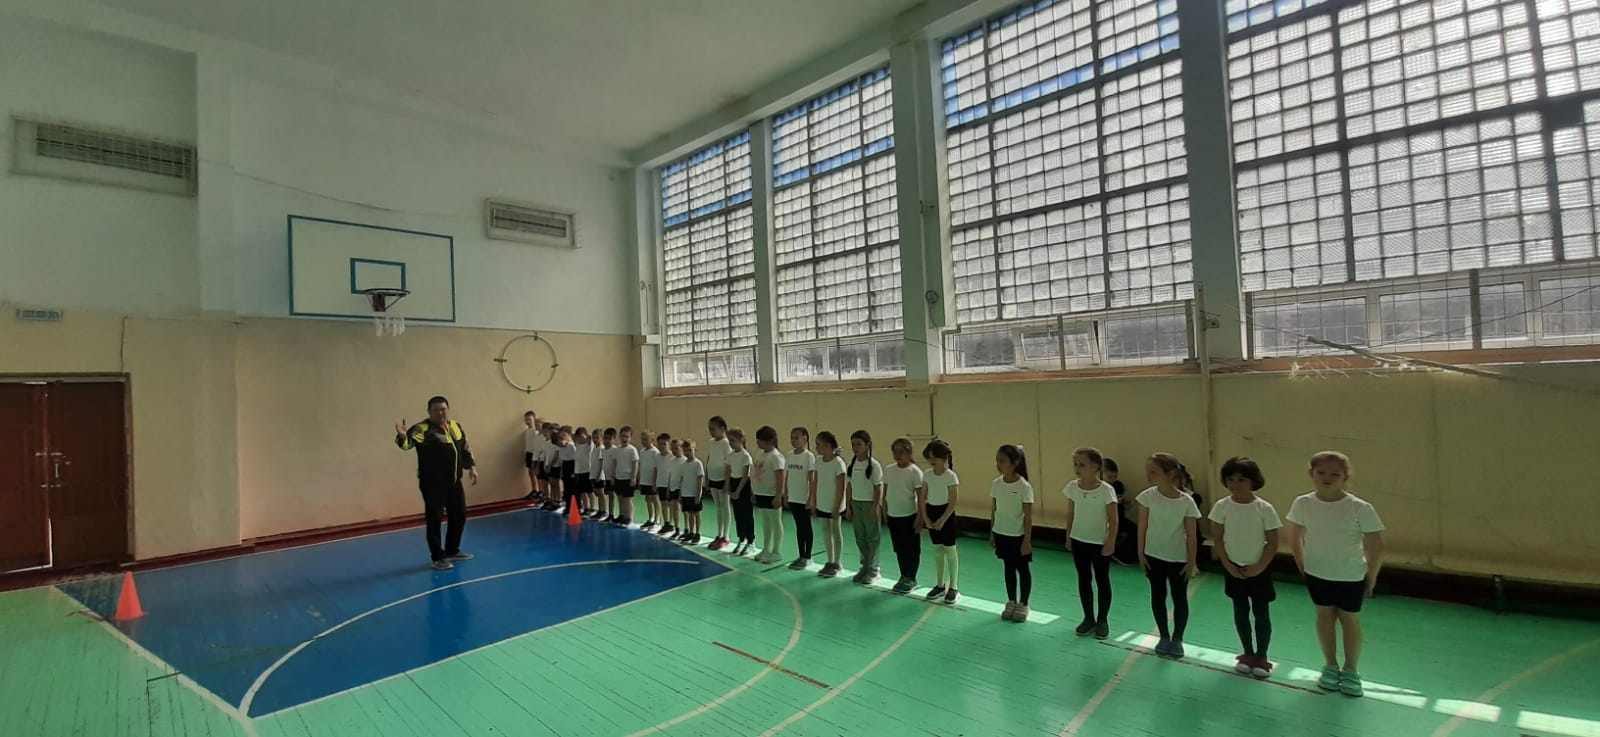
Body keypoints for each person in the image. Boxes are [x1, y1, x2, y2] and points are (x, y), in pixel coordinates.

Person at [1285, 451, 1385, 697]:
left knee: (1349, 619)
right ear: (1311, 474)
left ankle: (1351, 670)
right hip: (1317, 572)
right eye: (1321, 473)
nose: (1327, 478)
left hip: (1350, 575)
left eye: (1334, 474)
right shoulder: (1303, 503)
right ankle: (1330, 665)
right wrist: (1301, 563)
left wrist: (1371, 574)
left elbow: (1375, 544)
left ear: (1345, 478)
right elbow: (1294, 535)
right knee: (1324, 616)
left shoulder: (1360, 507)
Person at [1210, 456, 1282, 679]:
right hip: (1234, 569)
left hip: (1259, 570)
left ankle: (1261, 656)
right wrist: (1228, 565)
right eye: (1230, 479)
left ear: (1253, 481)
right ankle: (1247, 653)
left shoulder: (1264, 508)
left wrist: (1259, 567)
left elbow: (1273, 542)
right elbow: (1217, 538)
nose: (1235, 484)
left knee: (1261, 612)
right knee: (1240, 611)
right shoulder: (1222, 506)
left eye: (1241, 479)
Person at [394, 396, 479, 570]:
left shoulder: (455, 426)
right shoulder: (422, 429)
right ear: (429, 412)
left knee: (460, 515)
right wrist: (402, 437)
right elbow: (407, 444)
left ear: (448, 409)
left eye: (443, 409)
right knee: (434, 520)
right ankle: (438, 557)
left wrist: (472, 467)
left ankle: (452, 550)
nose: (440, 413)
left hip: (454, 482)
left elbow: (465, 448)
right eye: (436, 410)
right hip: (432, 485)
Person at [1138, 452, 1201, 658]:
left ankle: (1178, 638)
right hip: (1153, 555)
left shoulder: (1187, 502)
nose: (1149, 476)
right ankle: (1164, 635)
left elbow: (1191, 536)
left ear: (1170, 474)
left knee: (1179, 598)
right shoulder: (1147, 497)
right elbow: (1142, 527)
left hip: (1178, 558)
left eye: (1153, 472)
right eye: (1148, 472)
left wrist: (1191, 562)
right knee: (1158, 595)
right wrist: (1141, 553)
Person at [1064, 447, 1117, 639]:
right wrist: (1069, 535)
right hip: (1079, 540)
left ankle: (1102, 620)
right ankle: (1088, 618)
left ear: (1095, 467)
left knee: (1102, 580)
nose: (1077, 468)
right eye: (1075, 465)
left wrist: (1110, 542)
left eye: (1082, 465)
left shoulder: (1106, 490)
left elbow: (1113, 519)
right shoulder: (1072, 487)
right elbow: (1071, 513)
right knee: (1084, 579)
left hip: (1099, 543)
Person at [990, 444, 1034, 621]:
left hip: (1018, 535)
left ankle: (1024, 604)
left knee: (1022, 569)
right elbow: (994, 510)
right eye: (997, 460)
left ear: (1015, 463)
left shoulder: (1024, 486)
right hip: (1001, 533)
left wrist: (1027, 540)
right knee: (1008, 568)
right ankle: (1011, 601)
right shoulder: (996, 484)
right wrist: (992, 532)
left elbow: (1028, 517)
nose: (998, 464)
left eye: (1002, 460)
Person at [920, 439, 960, 604]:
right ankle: (939, 585)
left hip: (946, 514)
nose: (931, 461)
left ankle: (954, 587)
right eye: (929, 457)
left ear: (943, 457)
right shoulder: (927, 475)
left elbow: (953, 501)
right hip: (932, 511)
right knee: (938, 551)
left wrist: (943, 519)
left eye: (934, 457)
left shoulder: (951, 476)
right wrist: (926, 518)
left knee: (950, 550)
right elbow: (923, 498)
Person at [883, 438, 925, 594]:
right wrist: (884, 510)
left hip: (909, 516)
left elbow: (921, 497)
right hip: (893, 515)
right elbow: (885, 492)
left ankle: (911, 577)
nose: (898, 455)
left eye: (901, 452)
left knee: (911, 548)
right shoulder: (889, 470)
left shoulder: (915, 472)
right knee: (899, 548)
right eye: (895, 452)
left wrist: (920, 517)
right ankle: (903, 575)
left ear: (909, 453)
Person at [846, 430, 885, 584]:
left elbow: (878, 487)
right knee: (860, 538)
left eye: (858, 444)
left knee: (872, 538)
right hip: (856, 504)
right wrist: (848, 506)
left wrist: (875, 507)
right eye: (853, 445)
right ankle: (864, 566)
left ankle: (874, 569)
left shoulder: (874, 466)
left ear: (868, 445)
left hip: (869, 504)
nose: (855, 448)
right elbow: (849, 486)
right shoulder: (852, 464)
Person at [813, 431, 849, 578]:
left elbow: (841, 487)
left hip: (834, 505)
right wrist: (814, 500)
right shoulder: (818, 461)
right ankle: (830, 560)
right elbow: (815, 482)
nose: (816, 447)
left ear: (828, 445)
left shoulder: (838, 463)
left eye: (818, 444)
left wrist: (837, 506)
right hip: (822, 502)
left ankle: (838, 563)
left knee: (836, 532)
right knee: (826, 532)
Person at [751, 426, 788, 564]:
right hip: (760, 493)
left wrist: (778, 495)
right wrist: (754, 491)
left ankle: (776, 551)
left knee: (776, 522)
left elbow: (780, 477)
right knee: (766, 523)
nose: (757, 443)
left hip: (771, 494)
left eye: (759, 440)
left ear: (769, 441)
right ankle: (766, 549)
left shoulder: (776, 457)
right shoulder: (760, 454)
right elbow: (756, 473)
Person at [784, 427, 818, 570]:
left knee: (806, 526)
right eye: (792, 437)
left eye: (796, 437)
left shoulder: (809, 456)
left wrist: (811, 498)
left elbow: (812, 480)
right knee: (799, 527)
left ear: (805, 439)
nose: (793, 440)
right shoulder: (789, 455)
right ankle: (801, 555)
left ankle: (808, 556)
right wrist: (785, 493)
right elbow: (787, 476)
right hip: (793, 497)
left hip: (804, 498)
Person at [726, 429, 756, 555]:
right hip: (733, 483)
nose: (731, 443)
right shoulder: (730, 455)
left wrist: (738, 491)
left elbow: (745, 476)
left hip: (743, 486)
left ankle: (751, 541)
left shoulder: (746, 456)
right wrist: (727, 485)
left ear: (741, 440)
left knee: (746, 514)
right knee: (738, 515)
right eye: (729, 441)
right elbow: (728, 470)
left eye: (733, 440)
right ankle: (741, 538)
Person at [706, 417, 734, 551]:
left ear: (722, 429)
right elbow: (709, 458)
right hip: (713, 478)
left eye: (713, 429)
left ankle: (726, 536)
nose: (711, 431)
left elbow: (729, 463)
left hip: (723, 480)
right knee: (718, 507)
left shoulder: (726, 443)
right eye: (709, 429)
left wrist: (727, 482)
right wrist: (707, 477)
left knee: (725, 506)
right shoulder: (711, 442)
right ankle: (719, 534)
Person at [611, 426, 641, 527]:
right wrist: (613, 476)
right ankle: (622, 515)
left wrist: (633, 477)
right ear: (619, 436)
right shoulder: (617, 449)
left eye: (627, 437)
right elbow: (614, 462)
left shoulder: (632, 450)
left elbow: (635, 463)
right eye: (623, 436)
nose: (625, 438)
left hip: (628, 478)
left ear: (630, 438)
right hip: (618, 477)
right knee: (620, 498)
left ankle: (629, 518)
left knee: (627, 499)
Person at [678, 440, 706, 545]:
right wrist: (680, 494)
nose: (687, 452)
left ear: (694, 449)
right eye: (685, 450)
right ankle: (691, 532)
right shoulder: (683, 465)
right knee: (690, 514)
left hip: (694, 494)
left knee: (696, 514)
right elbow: (682, 480)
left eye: (690, 450)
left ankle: (697, 534)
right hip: (686, 493)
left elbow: (700, 480)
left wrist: (698, 495)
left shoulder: (698, 464)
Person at [637, 431, 661, 531]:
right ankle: (651, 518)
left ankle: (657, 520)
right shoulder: (642, 452)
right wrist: (639, 478)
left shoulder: (655, 452)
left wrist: (655, 481)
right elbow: (641, 465)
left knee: (655, 499)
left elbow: (657, 467)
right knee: (648, 499)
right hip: (645, 480)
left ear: (652, 440)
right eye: (642, 439)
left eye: (646, 439)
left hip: (653, 480)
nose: (644, 441)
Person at [522, 410, 542, 501]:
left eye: (529, 419)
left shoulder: (535, 432)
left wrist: (536, 456)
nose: (527, 421)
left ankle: (541, 491)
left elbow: (537, 445)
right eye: (526, 420)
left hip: (535, 453)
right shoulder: (527, 431)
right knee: (531, 473)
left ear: (534, 419)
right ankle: (534, 490)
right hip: (529, 453)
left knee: (536, 473)